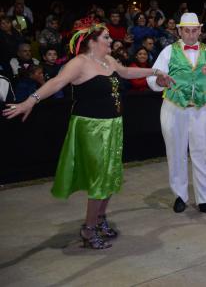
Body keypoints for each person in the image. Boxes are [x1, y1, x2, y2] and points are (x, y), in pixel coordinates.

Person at [3, 21, 173, 249]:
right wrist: (29, 101)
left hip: (113, 126)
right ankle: (88, 228)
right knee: (99, 178)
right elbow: (56, 82)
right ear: (92, 42)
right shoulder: (79, 63)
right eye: (105, 37)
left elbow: (126, 71)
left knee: (111, 175)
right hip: (91, 128)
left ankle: (100, 219)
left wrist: (155, 71)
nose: (111, 40)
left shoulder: (109, 60)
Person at [146, 13, 206, 216]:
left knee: (201, 154)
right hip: (173, 108)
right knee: (176, 153)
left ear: (200, 31)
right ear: (179, 31)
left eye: (195, 30)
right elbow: (153, 76)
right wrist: (160, 82)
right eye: (187, 30)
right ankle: (180, 196)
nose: (191, 35)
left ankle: (205, 199)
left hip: (200, 109)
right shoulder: (168, 51)